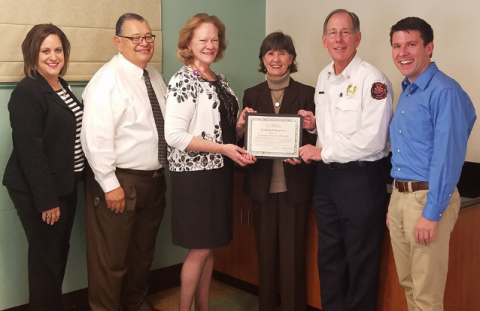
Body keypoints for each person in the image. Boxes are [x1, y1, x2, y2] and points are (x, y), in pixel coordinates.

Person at [298, 9, 393, 311]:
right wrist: (314, 126)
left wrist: (322, 152)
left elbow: (373, 139)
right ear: (324, 39)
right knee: (329, 254)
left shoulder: (374, 80)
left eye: (346, 32)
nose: (339, 39)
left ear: (358, 37)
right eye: (333, 33)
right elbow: (333, 128)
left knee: (360, 257)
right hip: (327, 179)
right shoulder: (325, 76)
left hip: (361, 179)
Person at [164, 13, 254, 311]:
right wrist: (223, 148)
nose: (210, 45)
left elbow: (221, 129)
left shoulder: (220, 79)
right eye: (202, 39)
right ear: (188, 43)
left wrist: (239, 127)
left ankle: (203, 307)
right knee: (200, 248)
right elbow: (174, 135)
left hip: (218, 171)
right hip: (195, 176)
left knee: (209, 246)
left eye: (214, 39)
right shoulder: (183, 79)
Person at [387, 17, 476, 311]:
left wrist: (432, 212)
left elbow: (447, 158)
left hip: (426, 201)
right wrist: (395, 205)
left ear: (429, 48)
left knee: (427, 294)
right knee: (409, 284)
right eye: (397, 46)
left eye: (411, 44)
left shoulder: (445, 92)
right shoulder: (409, 90)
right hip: (401, 198)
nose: (403, 53)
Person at [81, 13, 167, 311]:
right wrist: (108, 183)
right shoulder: (107, 81)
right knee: (111, 259)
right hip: (120, 181)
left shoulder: (153, 76)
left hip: (153, 181)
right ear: (118, 42)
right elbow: (95, 137)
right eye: (135, 38)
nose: (143, 43)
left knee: (142, 254)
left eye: (148, 37)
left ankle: (136, 303)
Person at [2, 24, 84, 311]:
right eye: (45, 50)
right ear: (32, 54)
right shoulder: (27, 92)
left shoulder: (61, 86)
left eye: (58, 50)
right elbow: (30, 153)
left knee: (58, 254)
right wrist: (46, 201)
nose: (53, 56)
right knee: (46, 259)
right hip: (40, 191)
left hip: (65, 184)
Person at [238, 31, 316, 311]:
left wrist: (303, 155)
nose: (276, 58)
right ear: (263, 59)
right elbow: (242, 142)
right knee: (266, 257)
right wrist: (242, 129)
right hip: (262, 189)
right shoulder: (251, 94)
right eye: (270, 53)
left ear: (291, 58)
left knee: (293, 259)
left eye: (282, 52)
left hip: (294, 188)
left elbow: (314, 138)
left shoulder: (307, 93)